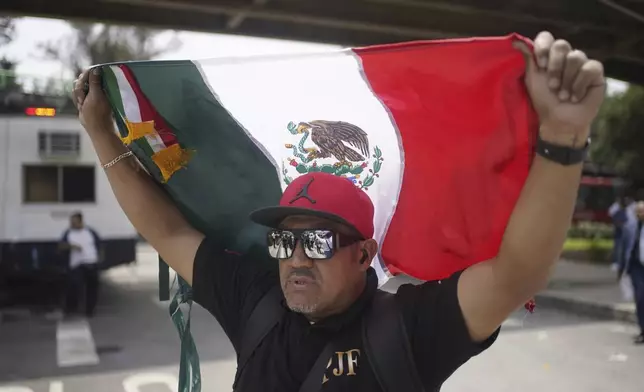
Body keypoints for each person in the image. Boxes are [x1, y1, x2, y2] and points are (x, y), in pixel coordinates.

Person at [72, 31, 605, 391]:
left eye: (321, 241)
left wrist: (562, 135)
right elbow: (165, 229)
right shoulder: (256, 302)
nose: (296, 258)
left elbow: (516, 275)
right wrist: (99, 129)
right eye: (284, 241)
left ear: (363, 254)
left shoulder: (408, 329)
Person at [59, 212, 102, 318]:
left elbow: (99, 245)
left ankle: (90, 310)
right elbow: (60, 246)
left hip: (91, 262)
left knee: (92, 288)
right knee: (74, 285)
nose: (72, 224)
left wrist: (99, 260)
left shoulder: (90, 232)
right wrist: (71, 246)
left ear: (81, 221)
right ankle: (71, 307)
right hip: (76, 264)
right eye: (71, 222)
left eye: (74, 222)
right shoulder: (68, 233)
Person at [619, 201, 644, 344]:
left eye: (642, 212)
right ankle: (642, 330)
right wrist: (621, 268)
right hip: (636, 267)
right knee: (640, 298)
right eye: (638, 212)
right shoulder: (630, 227)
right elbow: (624, 249)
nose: (640, 214)